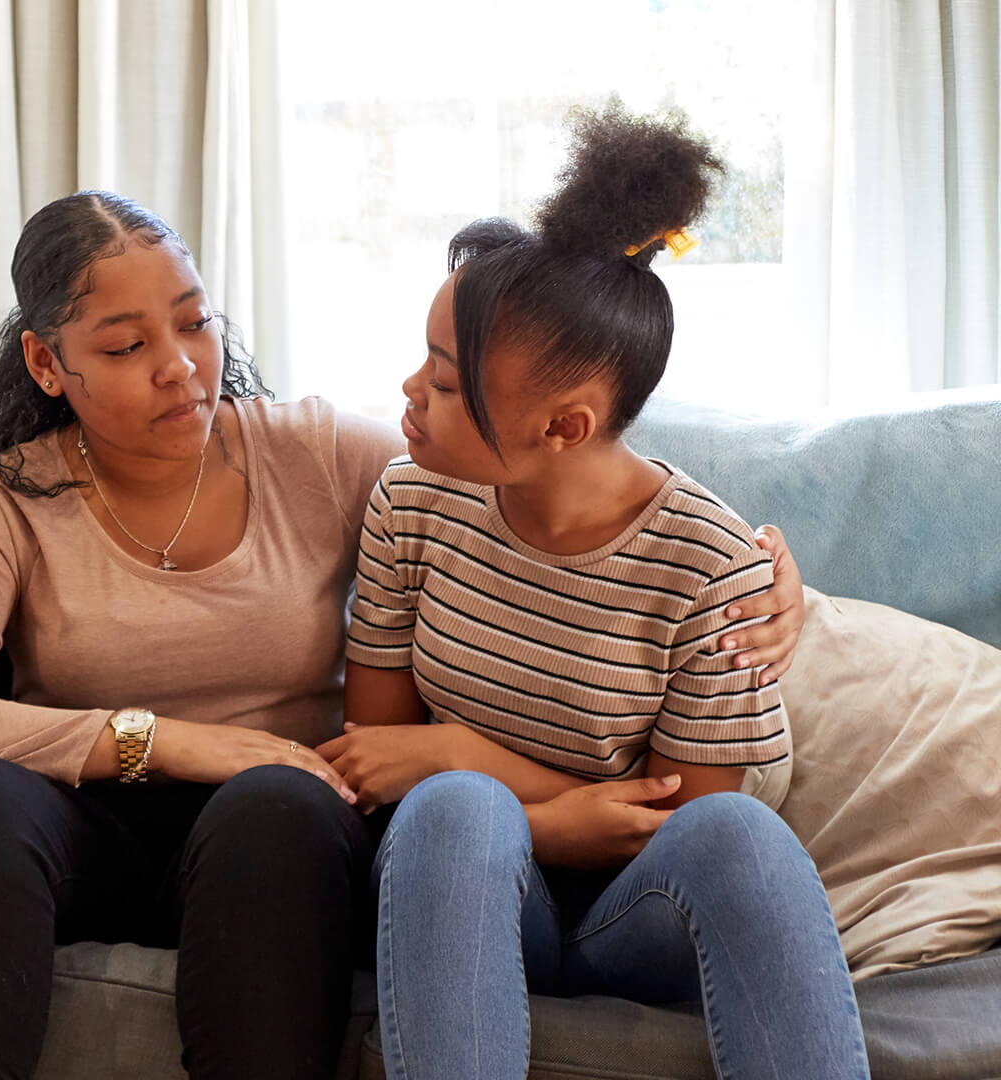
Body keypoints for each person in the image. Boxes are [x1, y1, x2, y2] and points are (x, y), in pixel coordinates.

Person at [0, 188, 809, 1079]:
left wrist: (770, 574)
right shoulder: (10, 497)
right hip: (95, 826)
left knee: (275, 801)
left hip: (283, 839)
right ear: (49, 364)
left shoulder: (316, 455)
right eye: (125, 346)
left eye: (193, 322)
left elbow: (528, 465)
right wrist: (163, 741)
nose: (180, 367)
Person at [327, 103, 869, 1078]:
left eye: (447, 383)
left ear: (565, 427)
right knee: (456, 810)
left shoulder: (712, 565)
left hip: (641, 915)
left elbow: (677, 821)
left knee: (737, 832)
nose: (409, 391)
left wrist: (468, 760)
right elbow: (381, 761)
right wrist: (525, 807)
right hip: (468, 886)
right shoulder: (411, 501)